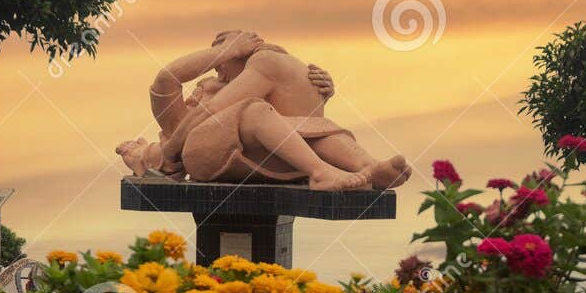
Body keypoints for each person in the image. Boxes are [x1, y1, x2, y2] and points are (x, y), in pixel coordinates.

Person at [116, 30, 410, 191]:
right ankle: (320, 172)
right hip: (199, 157)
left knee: (309, 127)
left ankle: (368, 168)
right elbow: (166, 79)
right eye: (239, 54)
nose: (220, 67)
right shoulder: (192, 108)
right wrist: (228, 50)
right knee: (255, 110)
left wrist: (319, 95)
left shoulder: (249, 98)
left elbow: (284, 125)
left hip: (255, 156)